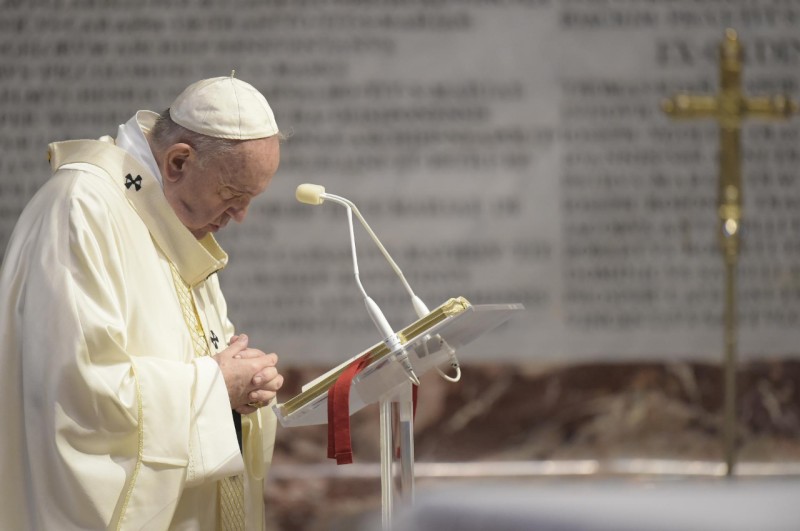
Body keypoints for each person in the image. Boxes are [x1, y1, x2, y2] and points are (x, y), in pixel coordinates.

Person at [0, 75, 286, 530]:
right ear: (178, 162)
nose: (240, 216)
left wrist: (241, 391)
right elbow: (77, 396)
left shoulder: (169, 217)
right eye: (233, 196)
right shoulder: (82, 210)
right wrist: (214, 387)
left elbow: (203, 359)